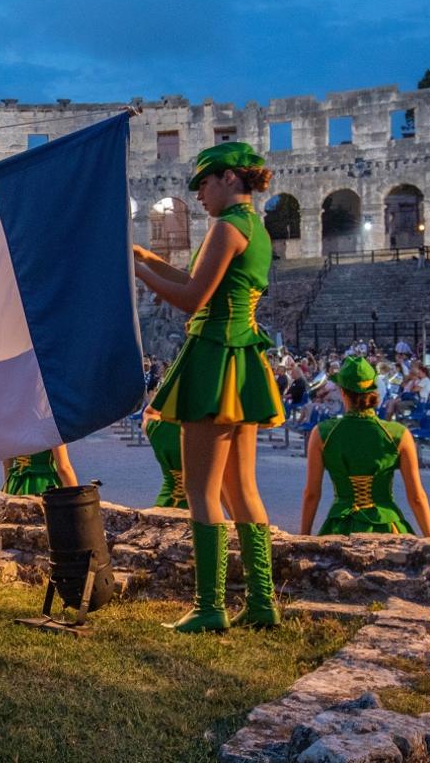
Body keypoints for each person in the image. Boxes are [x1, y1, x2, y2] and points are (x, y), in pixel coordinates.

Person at [134, 142, 283, 633]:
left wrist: (135, 272)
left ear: (228, 179)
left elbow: (194, 298)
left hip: (213, 355)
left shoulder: (224, 227)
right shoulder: (253, 228)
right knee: (242, 488)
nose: (198, 192)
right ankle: (262, 604)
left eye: (204, 181)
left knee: (201, 490)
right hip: (242, 358)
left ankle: (209, 605)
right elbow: (201, 280)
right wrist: (147, 257)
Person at [299, 356, 430, 537]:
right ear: (373, 391)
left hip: (340, 527)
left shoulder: (322, 433)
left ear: (343, 392)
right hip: (387, 526)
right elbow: (417, 497)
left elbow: (312, 494)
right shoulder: (398, 434)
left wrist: (304, 537)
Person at [143, 405, 187, 508]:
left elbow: (149, 412)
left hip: (163, 504)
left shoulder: (155, 428)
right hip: (200, 510)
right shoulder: (211, 433)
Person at [2, 444, 77, 495]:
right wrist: (77, 499)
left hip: (14, 483)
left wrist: (8, 486)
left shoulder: (13, 423)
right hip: (44, 485)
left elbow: (6, 461)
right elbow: (64, 468)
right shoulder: (50, 424)